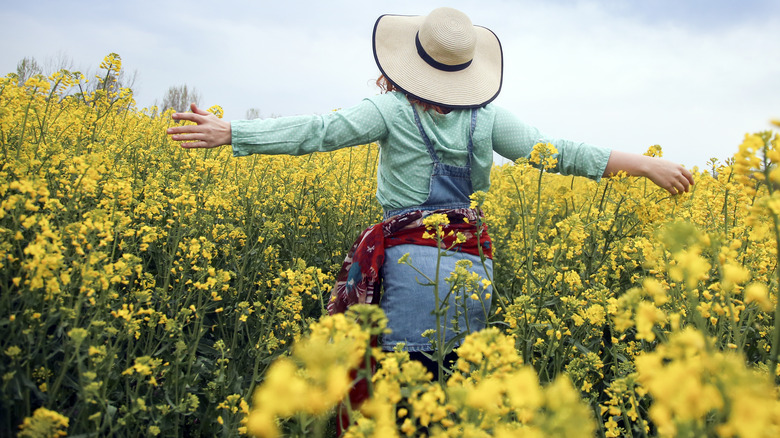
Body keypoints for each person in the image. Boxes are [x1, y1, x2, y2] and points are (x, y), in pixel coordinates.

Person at [167, 7, 693, 373]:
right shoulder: (488, 120)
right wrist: (648, 166)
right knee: (449, 387)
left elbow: (316, 132)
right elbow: (563, 153)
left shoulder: (391, 110)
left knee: (397, 387)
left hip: (409, 266)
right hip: (473, 266)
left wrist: (231, 131)